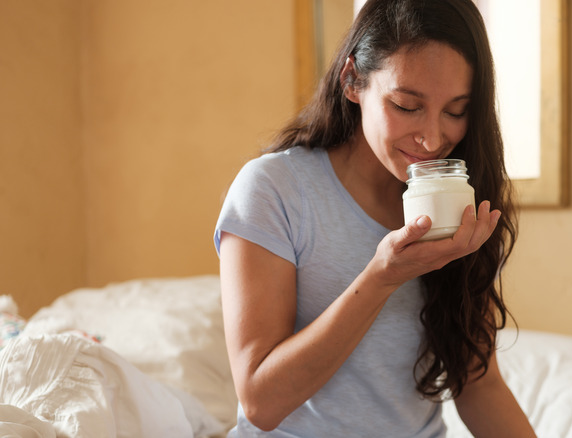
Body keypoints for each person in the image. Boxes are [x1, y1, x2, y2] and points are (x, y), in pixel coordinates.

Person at [214, 0, 537, 436]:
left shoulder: (455, 201)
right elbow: (260, 402)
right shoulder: (276, 190)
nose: (433, 137)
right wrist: (383, 276)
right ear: (353, 81)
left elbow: (479, 385)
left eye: (456, 110)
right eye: (407, 105)